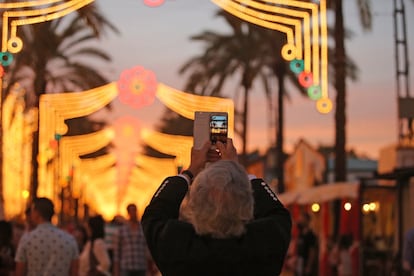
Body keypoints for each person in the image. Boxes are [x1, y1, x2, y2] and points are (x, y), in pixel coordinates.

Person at [141, 138, 292, 276]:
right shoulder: (262, 243)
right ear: (247, 206)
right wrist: (237, 169)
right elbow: (278, 212)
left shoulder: (178, 244)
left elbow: (155, 212)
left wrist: (190, 170)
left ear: (194, 206)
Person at [14, 197, 79, 276]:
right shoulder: (69, 239)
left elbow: (19, 272)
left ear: (37, 213)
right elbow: (74, 272)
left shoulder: (27, 239)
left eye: (32, 211)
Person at [113, 204, 148, 276]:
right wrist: (116, 271)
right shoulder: (122, 230)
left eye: (134, 210)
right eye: (131, 210)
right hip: (126, 267)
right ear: (128, 212)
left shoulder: (143, 229)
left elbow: (147, 249)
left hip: (141, 266)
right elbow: (117, 252)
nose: (133, 213)